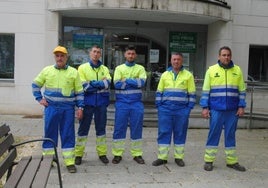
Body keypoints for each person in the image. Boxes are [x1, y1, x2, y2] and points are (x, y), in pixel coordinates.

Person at [32, 45, 84, 173]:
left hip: (68, 109)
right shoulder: (47, 71)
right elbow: (35, 85)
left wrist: (80, 107)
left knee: (68, 134)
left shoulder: (73, 72)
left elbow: (79, 92)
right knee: (50, 133)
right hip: (51, 108)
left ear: (67, 57)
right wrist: (39, 99)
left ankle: (69, 162)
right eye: (57, 55)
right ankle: (48, 160)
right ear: (55, 57)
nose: (59, 58)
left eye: (62, 56)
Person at [200, 46, 247, 172]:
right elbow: (206, 91)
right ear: (219, 56)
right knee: (213, 134)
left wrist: (241, 106)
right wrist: (205, 107)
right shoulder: (211, 70)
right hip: (216, 109)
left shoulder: (237, 70)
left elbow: (242, 90)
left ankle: (232, 162)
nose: (226, 57)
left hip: (232, 110)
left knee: (230, 135)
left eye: (228, 55)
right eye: (224, 55)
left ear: (230, 56)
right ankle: (209, 161)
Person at [152, 52, 196, 167]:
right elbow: (159, 92)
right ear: (171, 61)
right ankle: (162, 158)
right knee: (163, 132)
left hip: (181, 110)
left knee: (180, 133)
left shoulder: (188, 75)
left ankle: (179, 157)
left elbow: (192, 94)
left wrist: (188, 109)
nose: (176, 61)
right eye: (174, 59)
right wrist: (159, 106)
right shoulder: (165, 75)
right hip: (165, 110)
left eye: (178, 59)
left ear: (182, 61)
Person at [74, 45, 111, 165]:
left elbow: (107, 83)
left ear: (100, 54)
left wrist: (93, 83)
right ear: (90, 53)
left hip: (101, 104)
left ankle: (102, 154)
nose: (96, 54)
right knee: (83, 130)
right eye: (94, 52)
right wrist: (99, 83)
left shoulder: (105, 68)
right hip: (87, 104)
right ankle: (78, 155)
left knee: (101, 130)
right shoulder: (82, 68)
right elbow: (84, 86)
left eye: (98, 52)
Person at [112, 46, 147, 164]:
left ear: (135, 55)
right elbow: (116, 84)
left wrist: (126, 80)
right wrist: (134, 81)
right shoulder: (119, 68)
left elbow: (141, 83)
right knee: (119, 128)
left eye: (133, 53)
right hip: (122, 103)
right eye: (129, 53)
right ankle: (117, 154)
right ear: (125, 55)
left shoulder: (141, 68)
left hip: (136, 103)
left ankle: (137, 154)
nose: (131, 55)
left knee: (137, 128)